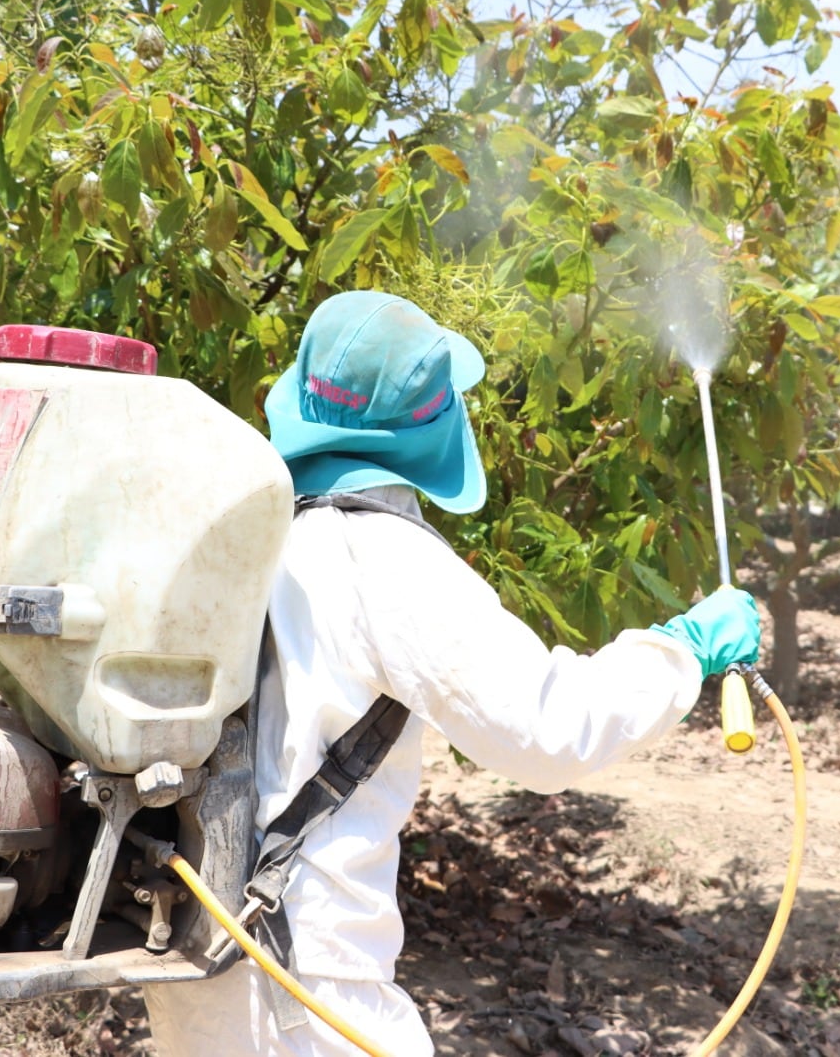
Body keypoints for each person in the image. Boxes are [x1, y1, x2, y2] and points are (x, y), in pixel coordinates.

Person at [143, 291, 762, 1055]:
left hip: (194, 959)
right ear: (432, 427)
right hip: (305, 979)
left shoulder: (240, 532)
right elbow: (546, 731)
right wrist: (684, 650)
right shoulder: (381, 557)